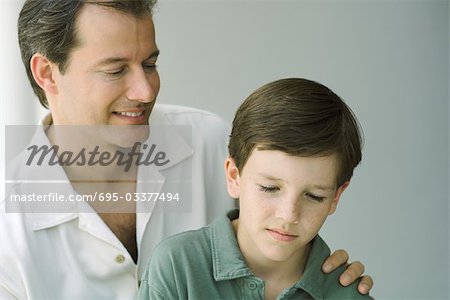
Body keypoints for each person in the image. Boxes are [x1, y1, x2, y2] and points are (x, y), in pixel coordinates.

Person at [0, 0, 372, 299]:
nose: (145, 91)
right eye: (115, 70)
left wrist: (321, 279)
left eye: (150, 64)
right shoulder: (7, 229)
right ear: (47, 74)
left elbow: (284, 230)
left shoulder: (208, 141)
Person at [139, 78, 372, 299]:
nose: (288, 215)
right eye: (270, 188)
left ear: (336, 197)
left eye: (314, 196)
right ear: (233, 176)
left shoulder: (347, 293)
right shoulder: (177, 266)